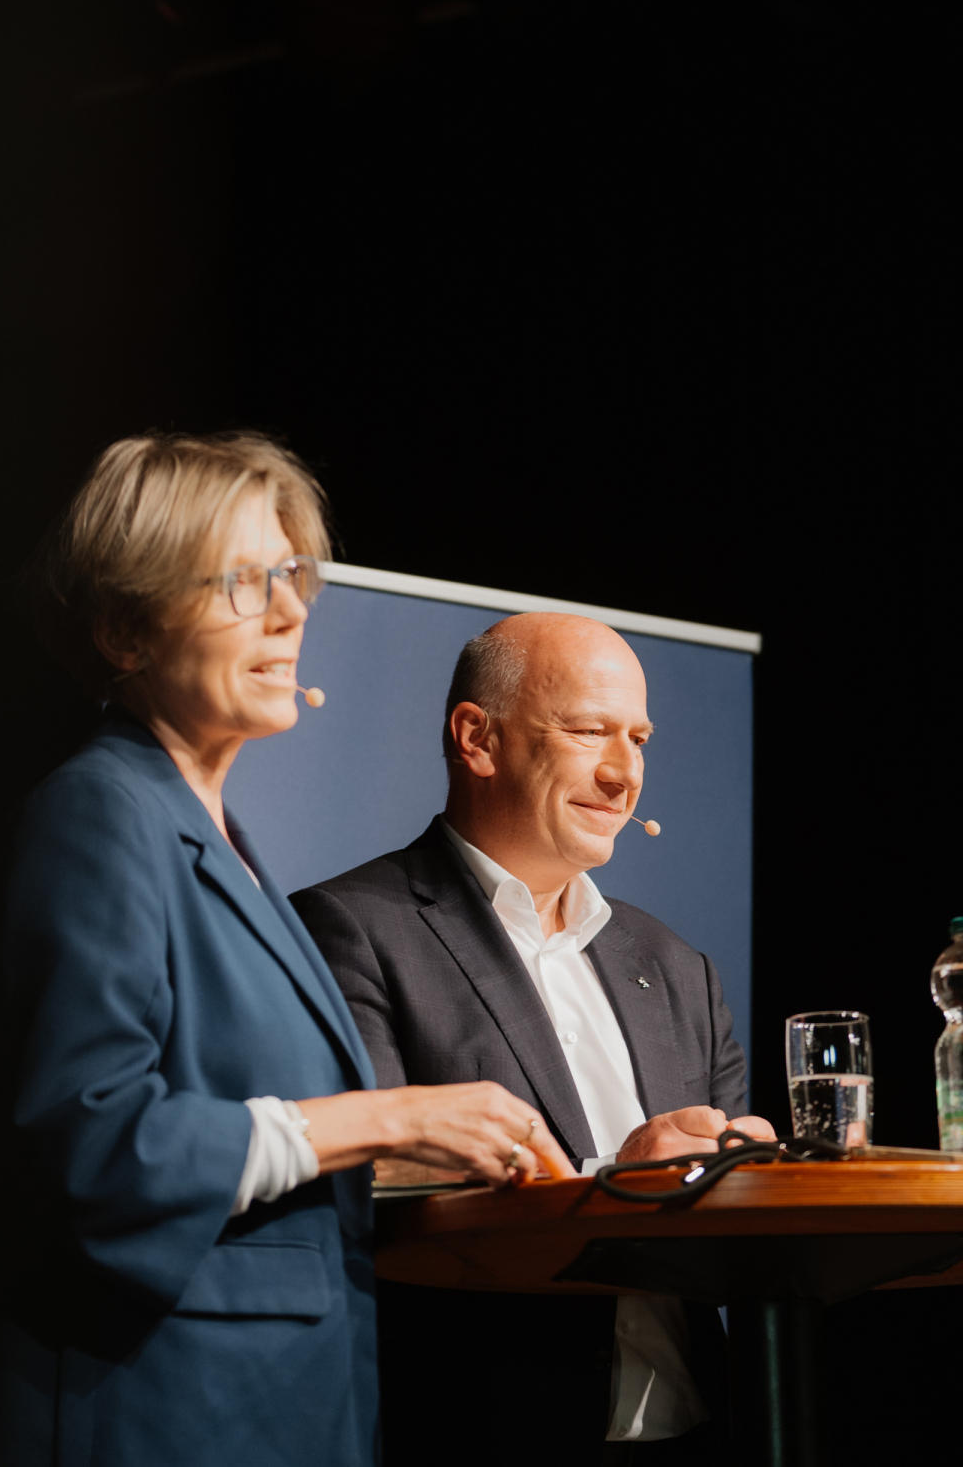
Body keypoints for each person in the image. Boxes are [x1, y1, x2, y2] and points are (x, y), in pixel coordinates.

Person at [0, 433, 575, 1467]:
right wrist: (388, 1113)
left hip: (289, 1408)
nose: (291, 612)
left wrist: (500, 1158)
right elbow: (94, 1148)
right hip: (166, 1415)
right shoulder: (98, 815)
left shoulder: (219, 840)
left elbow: (278, 1154)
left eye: (295, 577)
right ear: (127, 628)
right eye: (242, 582)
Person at [290, 613, 775, 1465]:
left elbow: (729, 1240)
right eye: (590, 731)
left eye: (640, 738)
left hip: (702, 1436)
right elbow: (370, 1198)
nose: (625, 774)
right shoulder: (350, 931)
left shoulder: (676, 966)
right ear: (477, 738)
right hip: (487, 1431)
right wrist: (619, 1185)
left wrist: (746, 1176)